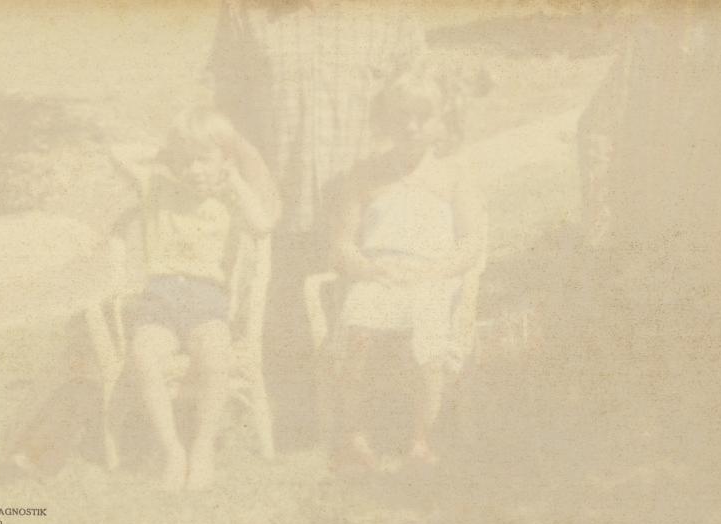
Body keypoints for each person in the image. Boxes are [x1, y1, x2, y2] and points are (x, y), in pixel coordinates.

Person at [207, 0, 427, 447]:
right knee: (286, 318)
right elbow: (225, 110)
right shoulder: (246, 12)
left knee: (370, 316)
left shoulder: (391, 14)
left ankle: (377, 415)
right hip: (281, 203)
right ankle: (296, 417)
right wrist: (254, 183)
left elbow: (418, 106)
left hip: (365, 211)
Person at [111, 107, 280, 492]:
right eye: (185, 161)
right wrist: (169, 152)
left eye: (203, 159)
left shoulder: (230, 198)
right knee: (144, 355)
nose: (194, 170)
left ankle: (202, 447)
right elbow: (117, 154)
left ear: (224, 159)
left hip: (207, 299)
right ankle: (172, 450)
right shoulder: (157, 187)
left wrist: (233, 178)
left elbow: (262, 225)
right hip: (160, 297)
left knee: (216, 359)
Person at [332, 63, 488, 470]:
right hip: (379, 276)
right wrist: (367, 270)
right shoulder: (366, 175)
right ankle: (355, 436)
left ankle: (422, 438)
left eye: (423, 117)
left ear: (441, 122)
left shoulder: (452, 176)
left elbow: (471, 242)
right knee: (358, 333)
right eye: (402, 116)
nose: (411, 127)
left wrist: (437, 272)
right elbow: (343, 244)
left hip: (430, 277)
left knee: (428, 339)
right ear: (386, 119)